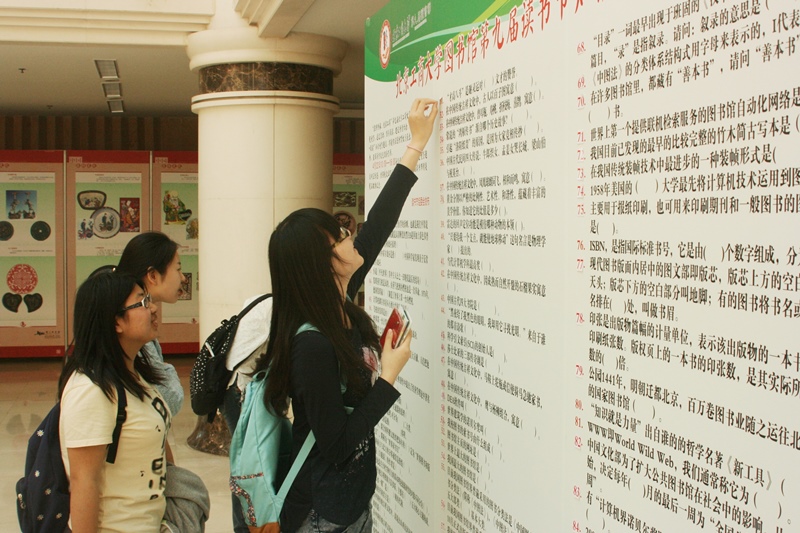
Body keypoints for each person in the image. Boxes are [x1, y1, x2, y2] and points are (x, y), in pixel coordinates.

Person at [253, 97, 438, 532]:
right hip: (321, 513)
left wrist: (416, 144)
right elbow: (336, 446)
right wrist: (388, 376)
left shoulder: (341, 298)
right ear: (321, 264)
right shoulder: (311, 344)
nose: (350, 233)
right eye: (338, 236)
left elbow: (379, 224)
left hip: (349, 503)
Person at [58, 270, 172, 532]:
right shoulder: (90, 390)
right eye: (142, 302)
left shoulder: (133, 375)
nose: (153, 308)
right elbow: (84, 482)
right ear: (116, 322)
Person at [116, 231, 186, 416]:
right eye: (178, 269)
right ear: (153, 275)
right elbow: (170, 399)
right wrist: (167, 370)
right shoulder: (135, 329)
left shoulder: (122, 313)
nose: (183, 278)